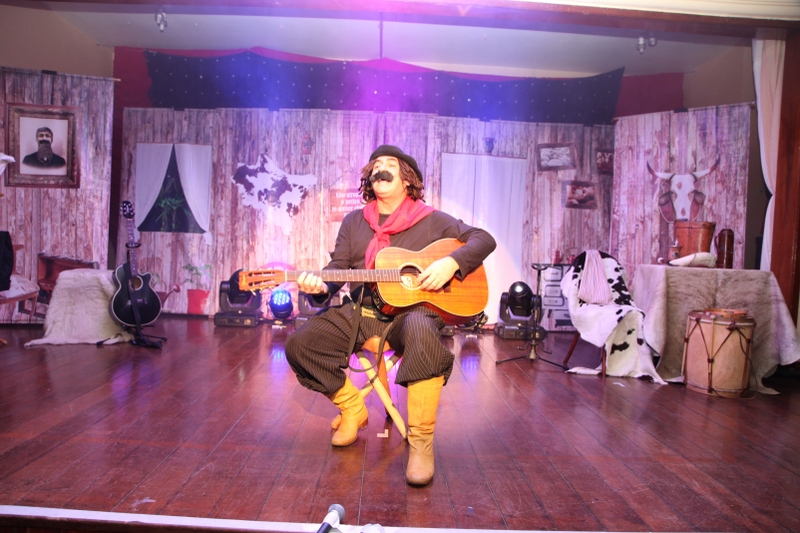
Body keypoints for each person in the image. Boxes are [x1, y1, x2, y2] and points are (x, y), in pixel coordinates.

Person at [285, 145, 495, 486]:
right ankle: (353, 409)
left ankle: (421, 442)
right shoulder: (355, 221)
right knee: (300, 344)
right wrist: (319, 286)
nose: (379, 169)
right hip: (361, 312)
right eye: (375, 165)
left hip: (408, 317)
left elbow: (483, 239)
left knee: (422, 329)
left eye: (390, 164)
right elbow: (338, 268)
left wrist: (451, 263)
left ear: (407, 179)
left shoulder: (431, 220)